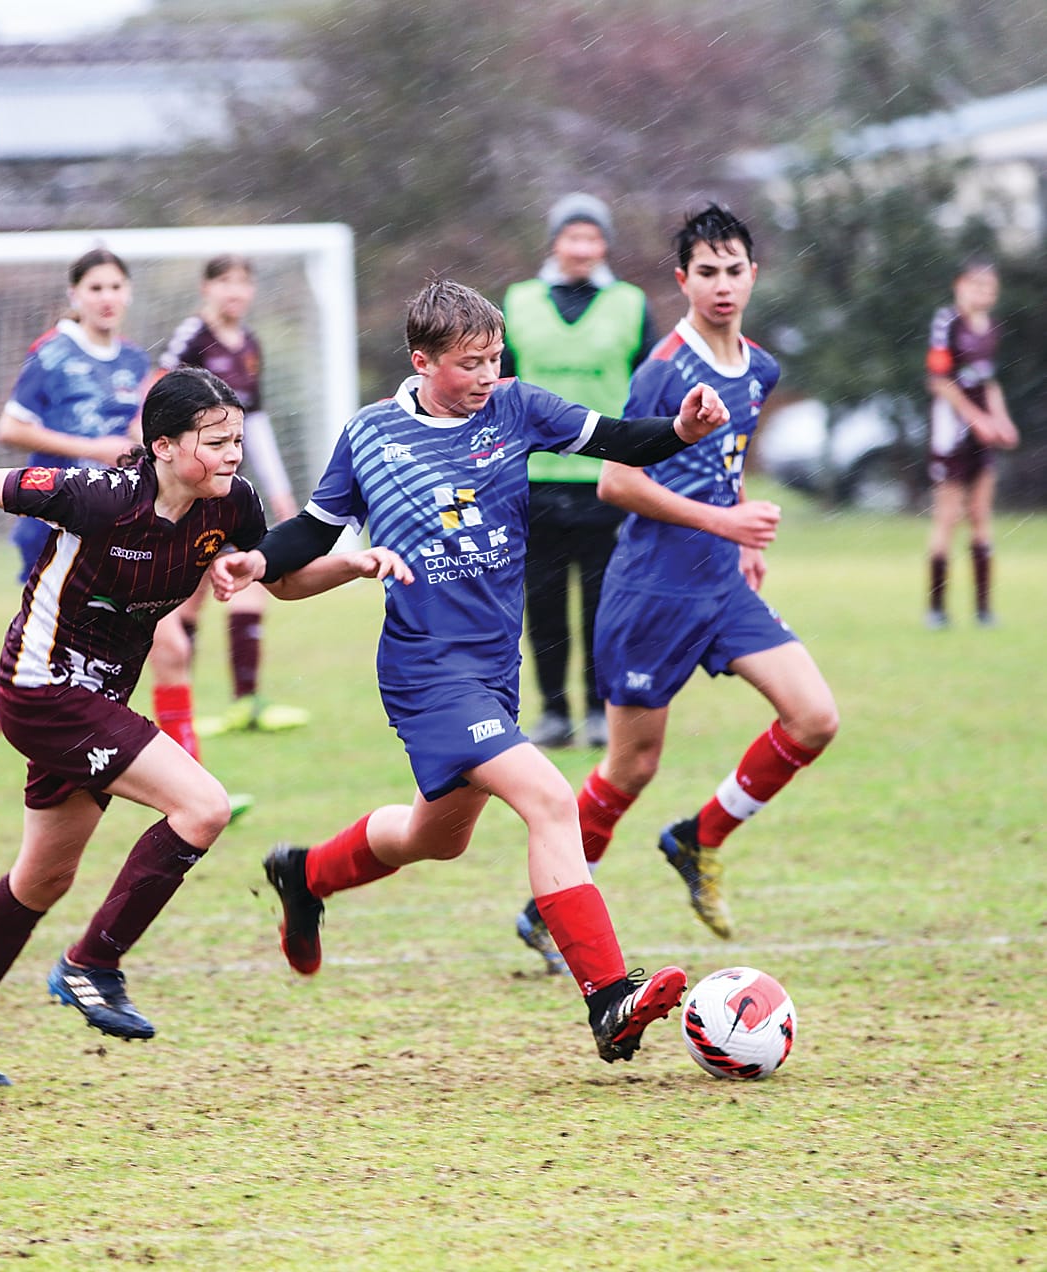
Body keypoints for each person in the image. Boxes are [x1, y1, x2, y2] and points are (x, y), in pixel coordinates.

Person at [214, 279, 730, 1064]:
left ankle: (304, 873)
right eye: (469, 363)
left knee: (436, 836)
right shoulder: (373, 435)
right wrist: (256, 558)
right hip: (425, 668)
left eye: (494, 358)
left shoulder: (517, 408)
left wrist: (683, 429)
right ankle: (607, 1000)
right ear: (422, 361)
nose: (487, 375)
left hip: (492, 668)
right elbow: (312, 533)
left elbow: (623, 440)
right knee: (551, 798)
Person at [0, 367, 402, 1083]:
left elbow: (279, 579)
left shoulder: (229, 504)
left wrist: (353, 566)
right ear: (164, 446)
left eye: (237, 438)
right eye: (216, 442)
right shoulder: (99, 496)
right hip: (40, 689)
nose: (233, 454)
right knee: (202, 807)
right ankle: (93, 964)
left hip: (99, 700)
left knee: (43, 878)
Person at [513, 204, 839, 967]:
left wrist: (738, 538)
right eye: (707, 273)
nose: (722, 286)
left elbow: (724, 465)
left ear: (753, 275)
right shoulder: (663, 370)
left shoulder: (759, 368)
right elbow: (618, 484)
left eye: (734, 271)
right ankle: (547, 908)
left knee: (814, 717)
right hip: (651, 590)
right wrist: (725, 525)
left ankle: (700, 837)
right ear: (682, 280)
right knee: (632, 765)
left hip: (722, 587)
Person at [0, 248, 148, 812]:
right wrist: (92, 450)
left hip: (116, 523)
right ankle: (181, 773)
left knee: (79, 662)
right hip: (56, 523)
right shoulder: (51, 354)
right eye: (95, 287)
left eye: (116, 286)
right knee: (99, 654)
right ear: (74, 295)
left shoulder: (135, 360)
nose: (107, 297)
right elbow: (10, 428)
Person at [502, 194, 656, 752]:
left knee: (602, 602)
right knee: (541, 603)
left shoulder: (632, 305)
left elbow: (648, 389)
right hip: (534, 479)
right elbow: (499, 388)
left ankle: (597, 709)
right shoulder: (518, 303)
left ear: (605, 245)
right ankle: (554, 713)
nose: (582, 248)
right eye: (573, 236)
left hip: (607, 479)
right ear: (554, 243)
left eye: (593, 237)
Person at [148, 255, 310, 740]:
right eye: (225, 282)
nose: (234, 292)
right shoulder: (192, 338)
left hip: (226, 488)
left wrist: (279, 489)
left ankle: (243, 701)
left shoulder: (250, 346)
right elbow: (155, 398)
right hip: (190, 486)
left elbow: (252, 423)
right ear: (207, 288)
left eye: (243, 282)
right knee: (191, 598)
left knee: (248, 578)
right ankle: (180, 707)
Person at [924, 257, 1020, 629]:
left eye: (990, 288)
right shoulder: (946, 322)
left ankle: (983, 610)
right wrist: (976, 419)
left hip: (982, 436)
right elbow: (938, 381)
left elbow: (988, 382)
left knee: (981, 516)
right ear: (960, 285)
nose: (984, 294)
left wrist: (1000, 421)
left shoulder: (991, 328)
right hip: (953, 432)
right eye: (977, 286)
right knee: (947, 517)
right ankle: (937, 609)